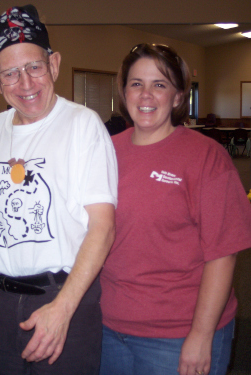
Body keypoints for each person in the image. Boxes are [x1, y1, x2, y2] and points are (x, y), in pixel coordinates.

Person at [0, 5, 117, 375]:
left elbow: (102, 228)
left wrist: (62, 309)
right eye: (10, 73)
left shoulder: (83, 126)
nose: (26, 84)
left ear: (54, 64)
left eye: (35, 67)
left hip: (63, 297)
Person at [99, 43, 251, 375]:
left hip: (178, 333)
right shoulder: (106, 151)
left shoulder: (206, 157)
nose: (146, 95)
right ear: (124, 93)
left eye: (160, 84)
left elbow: (223, 254)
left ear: (179, 96)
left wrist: (201, 335)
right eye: (136, 84)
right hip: (108, 326)